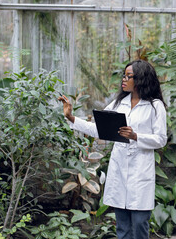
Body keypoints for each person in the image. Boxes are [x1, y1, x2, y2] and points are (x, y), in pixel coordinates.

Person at [58, 59, 167, 239]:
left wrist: (135, 136)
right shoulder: (118, 104)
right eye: (123, 75)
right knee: (122, 227)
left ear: (141, 79)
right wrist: (71, 117)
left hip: (140, 173)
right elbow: (98, 129)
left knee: (140, 224)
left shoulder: (155, 106)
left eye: (128, 76)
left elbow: (161, 139)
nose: (123, 79)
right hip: (120, 171)